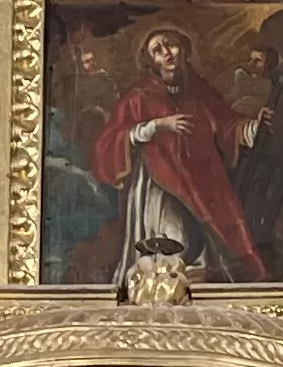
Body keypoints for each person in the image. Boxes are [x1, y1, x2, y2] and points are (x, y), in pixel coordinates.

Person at [89, 21, 273, 279]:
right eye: (157, 50)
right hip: (160, 183)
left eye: (171, 44)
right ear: (151, 61)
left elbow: (228, 125)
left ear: (183, 50)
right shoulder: (138, 97)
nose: (167, 52)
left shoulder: (200, 93)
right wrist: (156, 126)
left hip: (201, 181)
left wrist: (254, 126)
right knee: (177, 242)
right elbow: (107, 143)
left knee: (207, 247)